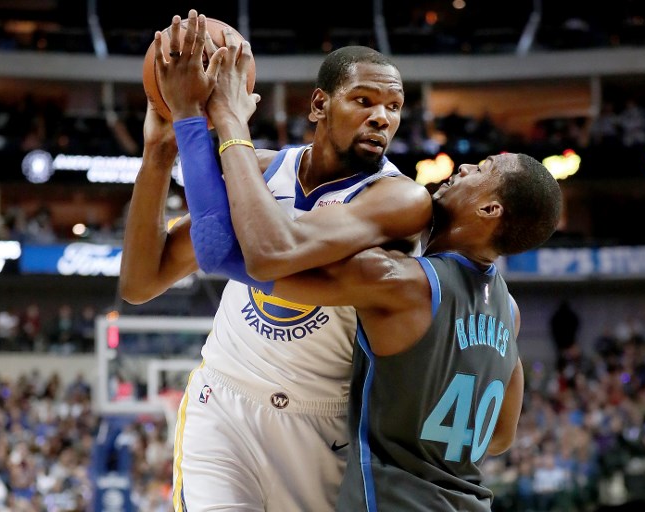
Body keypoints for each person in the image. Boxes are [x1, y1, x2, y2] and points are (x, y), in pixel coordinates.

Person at [194, 26, 563, 510]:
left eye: (483, 170)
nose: (464, 169)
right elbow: (498, 437)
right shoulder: (508, 314)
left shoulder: (398, 280)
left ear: (490, 211)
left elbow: (237, 256)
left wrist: (217, 123)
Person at [120, 10, 431, 512]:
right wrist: (157, 154)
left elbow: (272, 254)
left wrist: (224, 118)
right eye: (364, 100)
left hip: (320, 426)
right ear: (319, 105)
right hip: (222, 404)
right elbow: (140, 282)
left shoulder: (399, 200)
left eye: (394, 107)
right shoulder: (258, 169)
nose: (383, 117)